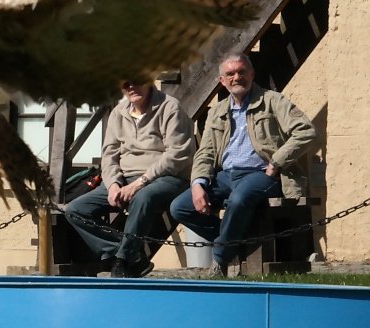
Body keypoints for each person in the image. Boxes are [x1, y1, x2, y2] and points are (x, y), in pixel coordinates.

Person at [170, 52, 319, 278]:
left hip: (262, 175)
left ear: (252, 74)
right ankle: (236, 243)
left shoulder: (273, 101)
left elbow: (306, 131)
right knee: (179, 207)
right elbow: (206, 151)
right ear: (222, 81)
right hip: (225, 176)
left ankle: (220, 260)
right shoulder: (218, 111)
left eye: (241, 72)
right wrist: (198, 183)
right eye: (230, 74)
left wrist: (276, 162)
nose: (236, 77)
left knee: (239, 199)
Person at [64, 82, 195, 278]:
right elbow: (109, 155)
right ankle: (132, 256)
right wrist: (113, 184)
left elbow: (177, 156)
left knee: (142, 197)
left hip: (167, 177)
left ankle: (124, 259)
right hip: (125, 178)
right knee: (75, 210)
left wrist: (139, 183)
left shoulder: (170, 107)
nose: (132, 87)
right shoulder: (118, 112)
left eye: (137, 82)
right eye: (126, 84)